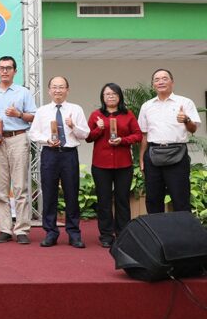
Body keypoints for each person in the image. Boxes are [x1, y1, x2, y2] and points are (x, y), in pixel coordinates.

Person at [0, 55, 37, 245]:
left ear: (15, 71)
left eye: (8, 68)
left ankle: (21, 229)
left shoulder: (23, 92)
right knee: (1, 188)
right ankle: (5, 229)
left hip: (18, 138)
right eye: (1, 68)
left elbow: (33, 116)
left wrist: (18, 114)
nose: (4, 71)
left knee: (20, 187)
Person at [29, 76, 89, 249]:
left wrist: (73, 126)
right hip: (50, 154)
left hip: (69, 154)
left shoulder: (76, 109)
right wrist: (47, 140)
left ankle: (74, 233)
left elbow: (85, 134)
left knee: (72, 194)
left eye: (61, 87)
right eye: (54, 87)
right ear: (49, 90)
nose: (58, 90)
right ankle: (51, 232)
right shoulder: (42, 111)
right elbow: (33, 133)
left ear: (67, 90)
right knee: (49, 194)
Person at [86, 83, 142, 248]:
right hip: (101, 165)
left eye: (114, 94)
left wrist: (123, 140)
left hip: (123, 164)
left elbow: (138, 135)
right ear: (102, 97)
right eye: (107, 94)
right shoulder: (96, 115)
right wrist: (98, 129)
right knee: (104, 200)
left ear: (119, 97)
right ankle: (106, 235)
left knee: (122, 200)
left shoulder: (128, 114)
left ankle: (123, 234)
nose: (110, 96)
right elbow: (88, 137)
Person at [138, 69, 201, 214]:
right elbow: (144, 135)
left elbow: (193, 129)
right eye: (157, 79)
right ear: (153, 84)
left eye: (164, 78)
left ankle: (183, 229)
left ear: (172, 82)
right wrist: (141, 159)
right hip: (153, 155)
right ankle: (156, 229)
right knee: (153, 199)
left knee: (180, 198)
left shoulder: (185, 102)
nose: (160, 82)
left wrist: (186, 119)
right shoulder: (147, 106)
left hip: (177, 154)